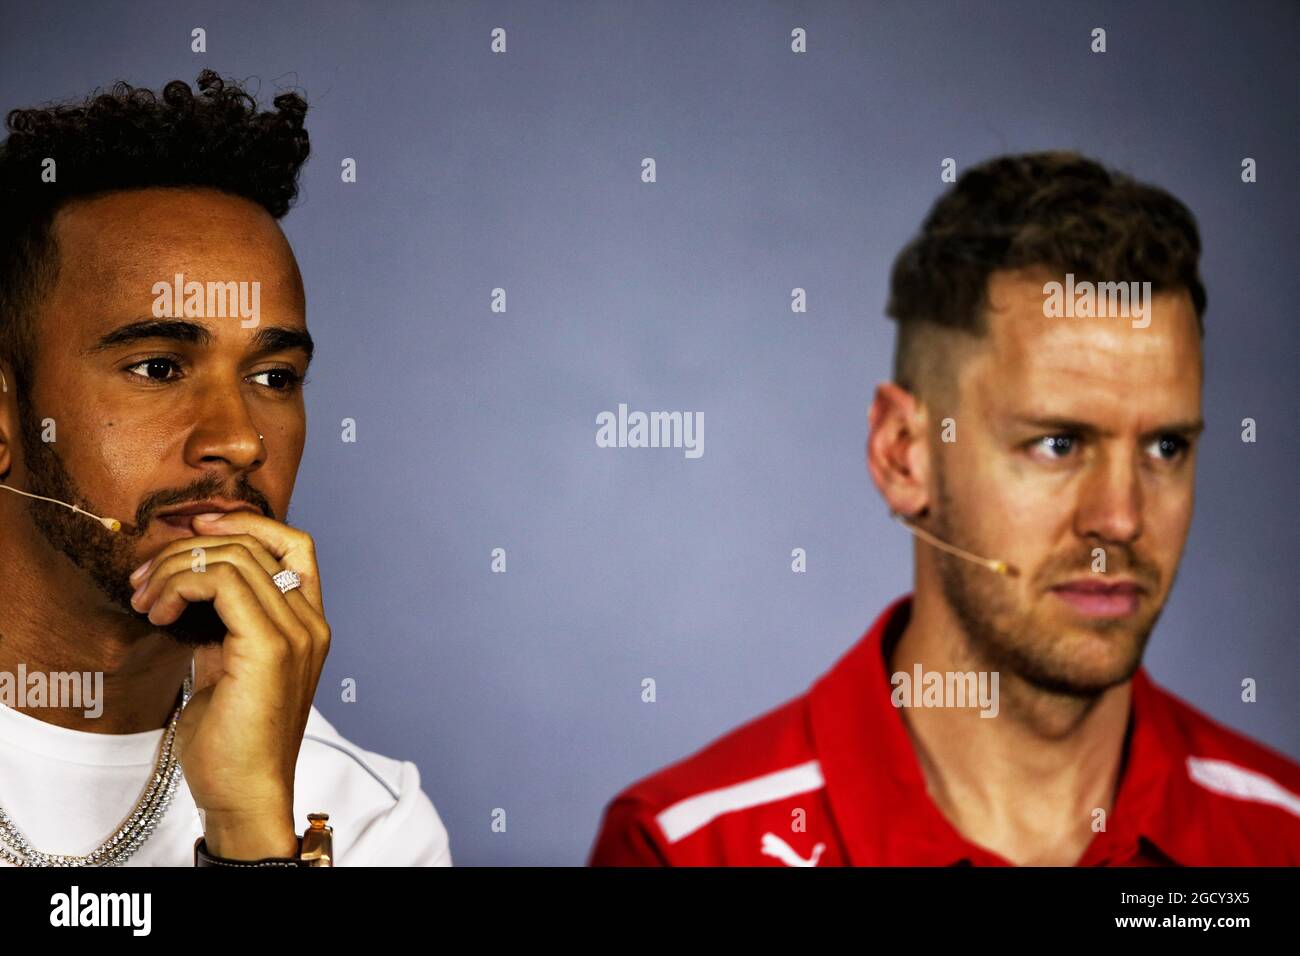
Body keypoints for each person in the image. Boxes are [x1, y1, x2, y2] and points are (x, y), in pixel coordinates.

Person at [589, 151, 1300, 866]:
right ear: (904, 455)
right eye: (1057, 444)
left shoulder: (1281, 837)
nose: (1120, 519)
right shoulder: (691, 850)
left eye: (1166, 448)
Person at [0, 71, 451, 866]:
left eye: (274, 378)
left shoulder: (371, 821)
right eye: (158, 367)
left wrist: (248, 824)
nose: (240, 441)